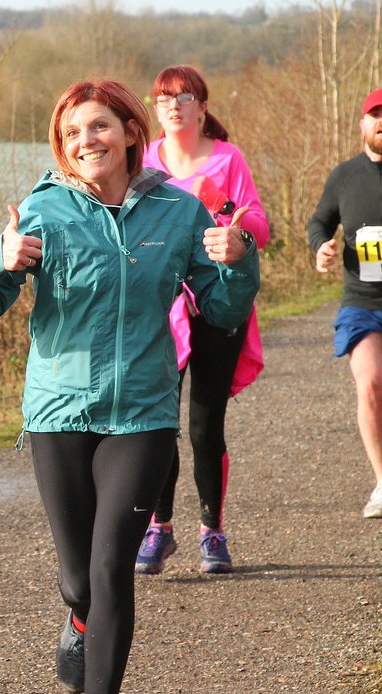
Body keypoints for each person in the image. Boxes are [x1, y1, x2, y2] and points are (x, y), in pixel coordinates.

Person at [0, 78, 259, 694]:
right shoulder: (43, 211)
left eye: (98, 127)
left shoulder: (178, 211)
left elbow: (221, 311)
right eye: (71, 133)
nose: (85, 141)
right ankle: (79, 619)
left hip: (143, 414)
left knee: (112, 566)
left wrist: (238, 260)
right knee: (78, 579)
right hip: (59, 413)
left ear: (128, 131)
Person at [135, 65, 271, 575]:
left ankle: (212, 531)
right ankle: (159, 528)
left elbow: (259, 227)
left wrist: (229, 215)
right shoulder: (143, 161)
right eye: (163, 98)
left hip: (217, 304)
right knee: (158, 423)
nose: (174, 106)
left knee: (204, 425)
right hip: (160, 308)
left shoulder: (228, 159)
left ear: (203, 106)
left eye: (184, 97)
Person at [308, 87, 382, 518]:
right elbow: (319, 221)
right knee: (370, 383)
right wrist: (321, 247)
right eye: (375, 114)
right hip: (363, 303)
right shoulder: (345, 176)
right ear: (362, 124)